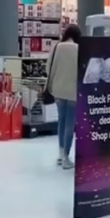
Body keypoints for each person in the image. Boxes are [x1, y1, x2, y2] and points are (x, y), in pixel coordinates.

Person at [47, 24, 82, 169]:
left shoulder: (57, 47)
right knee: (70, 124)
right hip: (73, 91)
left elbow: (48, 67)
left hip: (58, 90)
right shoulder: (79, 49)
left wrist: (50, 86)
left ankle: (61, 154)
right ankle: (66, 157)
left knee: (61, 121)